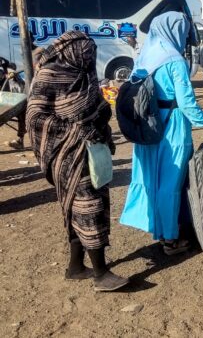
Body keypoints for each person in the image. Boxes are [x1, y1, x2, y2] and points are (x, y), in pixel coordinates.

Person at [27, 31, 129, 291]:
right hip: (67, 156)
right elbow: (35, 118)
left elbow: (98, 107)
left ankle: (75, 267)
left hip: (92, 154)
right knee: (88, 209)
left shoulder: (85, 73)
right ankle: (101, 273)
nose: (90, 59)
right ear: (71, 52)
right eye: (85, 54)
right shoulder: (49, 75)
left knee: (80, 209)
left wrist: (101, 126)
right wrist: (76, 131)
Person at [120, 12, 203, 256]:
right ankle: (170, 239)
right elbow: (186, 103)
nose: (185, 35)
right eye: (183, 30)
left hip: (146, 125)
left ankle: (157, 228)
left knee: (150, 179)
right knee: (170, 183)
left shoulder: (144, 56)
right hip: (171, 125)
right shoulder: (175, 60)